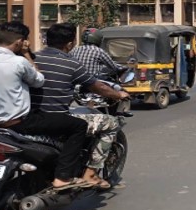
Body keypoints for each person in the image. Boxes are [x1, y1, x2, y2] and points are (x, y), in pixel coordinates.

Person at [0, 21, 90, 191]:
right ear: (20, 42)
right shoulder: (19, 63)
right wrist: (26, 54)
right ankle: (63, 178)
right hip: (20, 123)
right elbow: (39, 80)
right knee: (79, 126)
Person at [31, 23, 130, 190]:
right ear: (69, 44)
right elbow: (99, 85)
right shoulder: (72, 62)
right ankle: (90, 173)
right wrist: (118, 94)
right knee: (111, 123)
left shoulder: (32, 59)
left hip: (31, 116)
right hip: (73, 102)